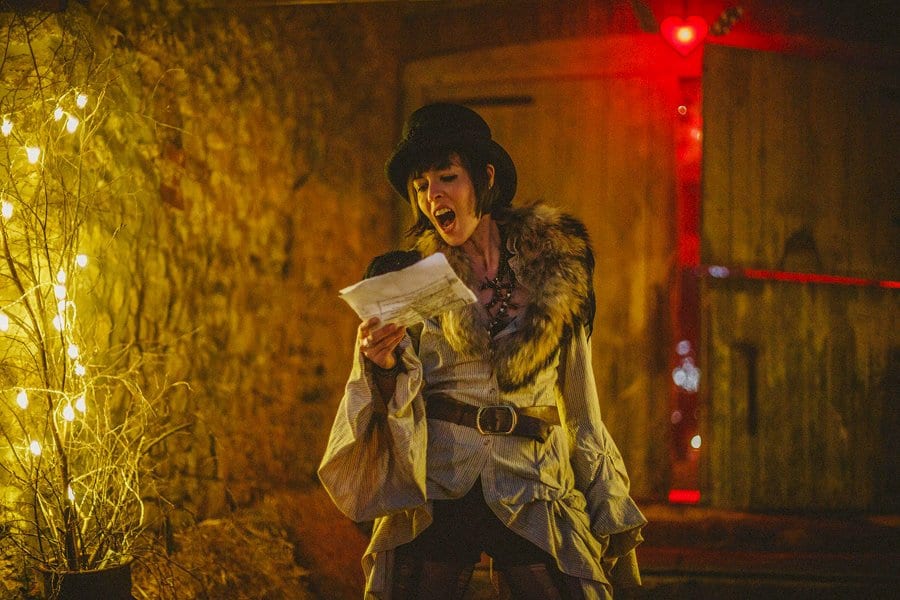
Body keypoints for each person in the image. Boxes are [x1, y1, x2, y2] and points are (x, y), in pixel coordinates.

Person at [319, 103, 646, 600]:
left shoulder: (554, 266)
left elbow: (580, 398)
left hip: (531, 477)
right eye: (421, 185)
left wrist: (606, 501)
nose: (433, 196)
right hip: (443, 478)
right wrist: (380, 363)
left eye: (447, 177)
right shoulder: (407, 278)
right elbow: (389, 395)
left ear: (484, 178)